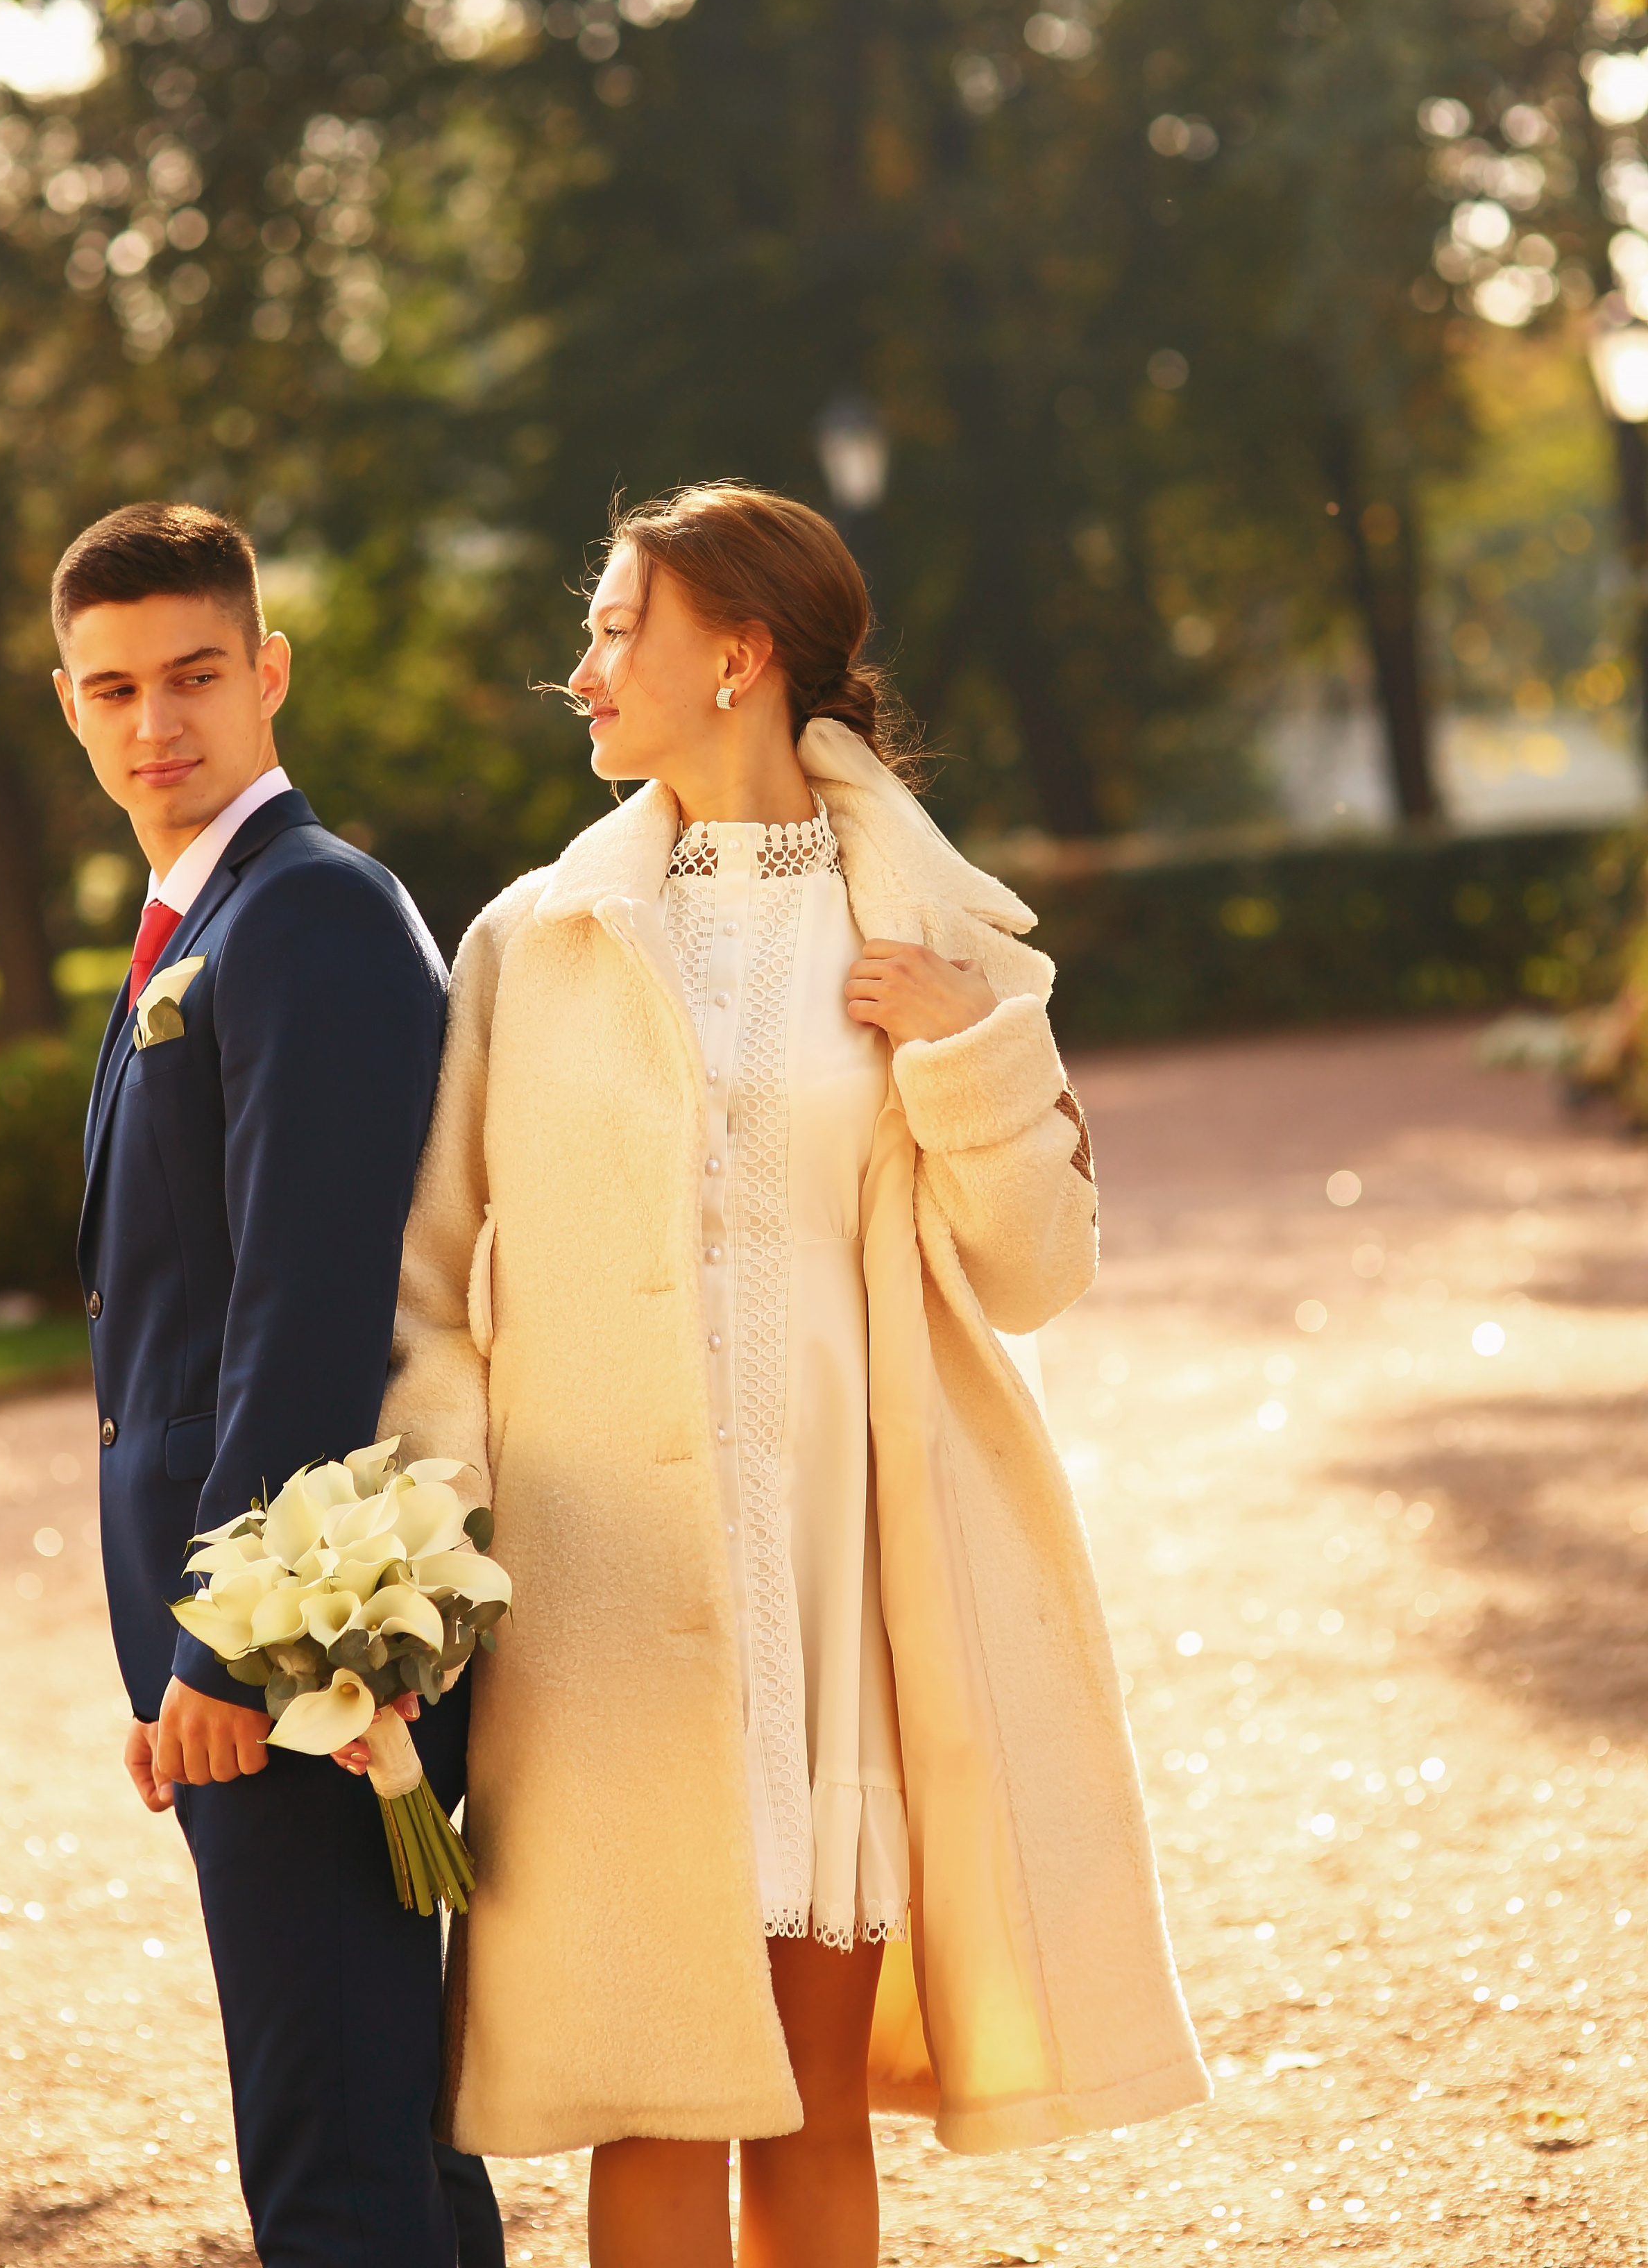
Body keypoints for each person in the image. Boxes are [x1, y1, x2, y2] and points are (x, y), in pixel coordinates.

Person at [385, 484, 1207, 2268]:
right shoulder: (534, 942)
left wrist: (963, 1052)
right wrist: (432, 1545)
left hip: (842, 1604)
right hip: (606, 1608)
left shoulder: (932, 937)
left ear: (736, 657)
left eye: (617, 631)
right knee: (658, 2110)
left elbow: (1034, 1275)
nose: (581, 672)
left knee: (816, 2110)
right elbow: (431, 1293)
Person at [52, 502, 504, 2268]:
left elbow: (307, 1313)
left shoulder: (306, 911)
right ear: (70, 706)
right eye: (112, 690)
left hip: (292, 1638)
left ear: (270, 674)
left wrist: (220, 1652)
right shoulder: (196, 914)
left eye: (194, 677)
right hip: (250, 1623)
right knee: (372, 2117)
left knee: (332, 2145)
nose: (155, 725)